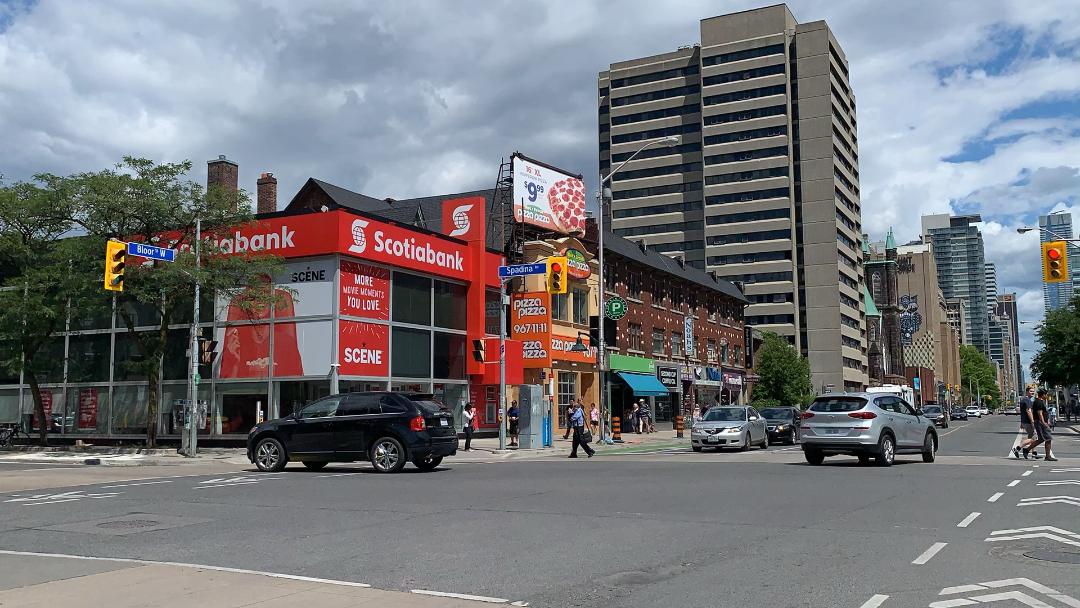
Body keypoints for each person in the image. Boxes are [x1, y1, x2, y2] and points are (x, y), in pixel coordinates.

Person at [1030, 388, 1057, 462]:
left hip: (1040, 422)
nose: (1047, 396)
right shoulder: (1039, 402)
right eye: (1046, 394)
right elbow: (1040, 413)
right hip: (1040, 422)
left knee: (1042, 439)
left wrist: (1046, 421)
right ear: (1043, 395)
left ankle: (1026, 450)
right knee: (1048, 438)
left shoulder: (1039, 401)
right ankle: (1048, 456)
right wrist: (1044, 423)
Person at [1013, 387, 1039, 459]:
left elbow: (1022, 412)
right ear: (1027, 392)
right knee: (1034, 438)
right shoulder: (1027, 400)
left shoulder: (1023, 400)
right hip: (1028, 422)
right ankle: (1018, 448)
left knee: (1032, 436)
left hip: (1025, 421)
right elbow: (1028, 411)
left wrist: (1022, 422)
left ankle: (1033, 453)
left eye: (1033, 391)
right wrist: (1032, 421)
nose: (1032, 393)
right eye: (1031, 391)